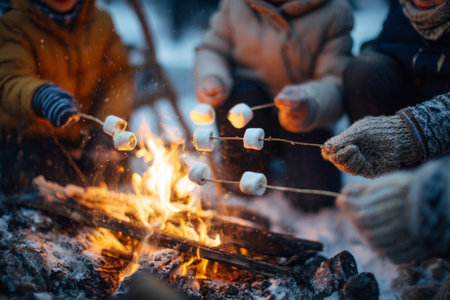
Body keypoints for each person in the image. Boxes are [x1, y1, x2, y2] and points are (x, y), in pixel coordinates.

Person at [193, 0, 353, 210]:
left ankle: (291, 160)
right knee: (241, 96)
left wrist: (310, 101)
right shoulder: (235, 4)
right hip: (249, 104)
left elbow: (335, 80)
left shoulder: (335, 12)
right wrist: (212, 76)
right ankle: (243, 165)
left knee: (313, 198)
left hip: (302, 115)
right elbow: (212, 49)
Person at [0, 0, 135, 194]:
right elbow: (9, 80)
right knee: (52, 185)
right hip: (29, 138)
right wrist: (39, 96)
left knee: (114, 164)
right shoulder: (13, 23)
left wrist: (104, 127)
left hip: (82, 136)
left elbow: (118, 78)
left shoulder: (100, 21)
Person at [342, 0, 449, 122]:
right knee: (362, 71)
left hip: (440, 118)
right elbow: (390, 44)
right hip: (405, 99)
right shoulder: (404, 11)